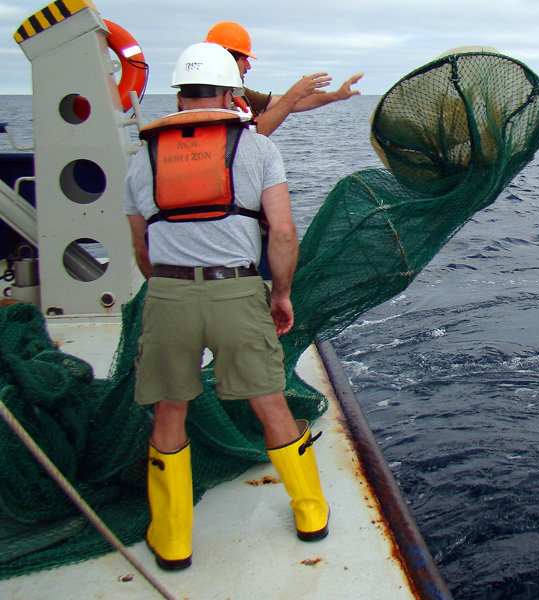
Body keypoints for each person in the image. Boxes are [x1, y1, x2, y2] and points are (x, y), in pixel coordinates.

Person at [123, 41, 330, 571]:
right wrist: (279, 293)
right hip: (238, 292)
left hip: (168, 294)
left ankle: (172, 541)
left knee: (170, 412)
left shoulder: (141, 157)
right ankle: (311, 514)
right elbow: (282, 233)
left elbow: (141, 250)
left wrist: (168, 286)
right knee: (271, 404)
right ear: (230, 90)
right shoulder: (256, 148)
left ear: (178, 93)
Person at [205, 21, 363, 136]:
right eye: (244, 59)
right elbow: (249, 137)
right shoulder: (206, 99)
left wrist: (336, 95)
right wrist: (295, 93)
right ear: (228, 59)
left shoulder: (240, 93)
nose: (248, 66)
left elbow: (290, 103)